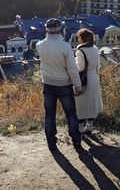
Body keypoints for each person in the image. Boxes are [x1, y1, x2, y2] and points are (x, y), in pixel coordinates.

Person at [36, 18, 83, 151]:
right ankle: (76, 141)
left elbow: (43, 65)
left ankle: (51, 143)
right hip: (64, 85)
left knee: (49, 115)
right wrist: (77, 86)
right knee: (71, 114)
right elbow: (72, 70)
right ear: (60, 30)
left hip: (48, 84)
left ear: (46, 30)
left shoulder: (39, 45)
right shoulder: (65, 47)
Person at [74, 28, 103, 133]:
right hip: (93, 77)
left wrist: (72, 64)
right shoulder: (95, 48)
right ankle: (90, 125)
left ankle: (80, 127)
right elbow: (97, 66)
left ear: (82, 39)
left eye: (79, 37)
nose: (78, 40)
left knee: (81, 103)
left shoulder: (80, 51)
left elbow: (80, 68)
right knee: (92, 102)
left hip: (84, 80)